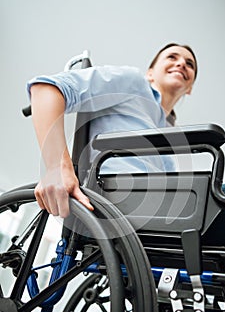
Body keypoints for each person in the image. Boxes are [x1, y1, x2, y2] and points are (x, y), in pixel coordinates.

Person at [27, 43, 197, 218]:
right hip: (117, 194)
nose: (181, 64)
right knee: (223, 201)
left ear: (190, 88)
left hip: (159, 206)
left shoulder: (168, 133)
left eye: (189, 64)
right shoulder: (134, 82)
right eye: (172, 57)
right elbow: (45, 89)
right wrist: (56, 168)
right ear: (150, 73)